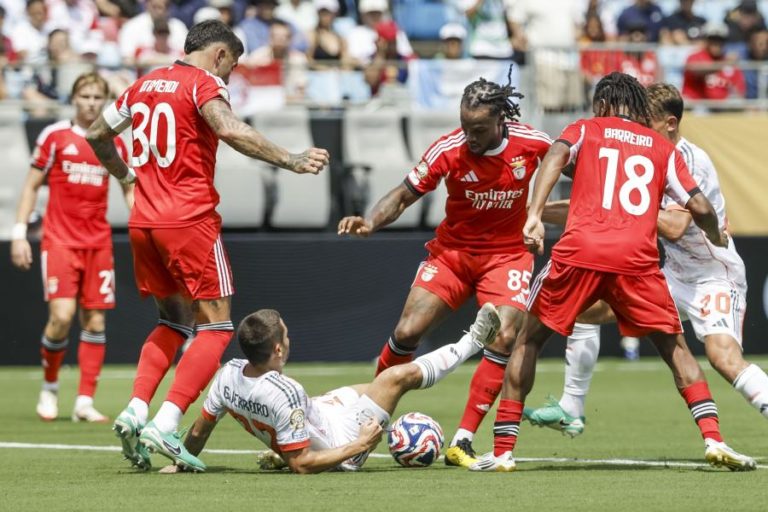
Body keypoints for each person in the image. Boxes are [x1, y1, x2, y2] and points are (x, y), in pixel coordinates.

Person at [467, 72, 756, 472]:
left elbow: (555, 156)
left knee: (528, 341)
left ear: (602, 104)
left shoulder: (586, 129)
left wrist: (533, 215)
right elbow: (702, 208)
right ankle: (713, 439)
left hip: (580, 252)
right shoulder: (662, 147)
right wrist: (716, 235)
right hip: (637, 261)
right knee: (676, 350)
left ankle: (502, 452)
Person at [85, 19, 329, 472]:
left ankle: (137, 409)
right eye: (232, 66)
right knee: (216, 328)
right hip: (189, 220)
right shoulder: (202, 83)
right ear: (218, 54)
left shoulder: (140, 85)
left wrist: (125, 177)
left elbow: (96, 134)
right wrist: (291, 160)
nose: (229, 76)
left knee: (173, 321)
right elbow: (230, 129)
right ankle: (167, 421)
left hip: (143, 222)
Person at [337, 71, 552, 468]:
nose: (470, 135)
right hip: (453, 255)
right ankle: (367, 417)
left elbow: (565, 161)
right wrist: (371, 221)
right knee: (406, 331)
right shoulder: (448, 150)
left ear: (501, 121)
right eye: (465, 125)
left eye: (480, 129)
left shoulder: (532, 143)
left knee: (504, 336)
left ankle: (463, 441)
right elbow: (403, 194)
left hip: (507, 256)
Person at [161, 304, 501, 473]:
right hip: (341, 443)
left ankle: (284, 445)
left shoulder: (228, 375)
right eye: (287, 335)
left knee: (373, 386)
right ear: (277, 350)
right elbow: (303, 465)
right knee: (395, 379)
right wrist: (361, 443)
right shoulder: (286, 392)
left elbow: (200, 429)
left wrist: (181, 462)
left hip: (319, 413)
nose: (290, 339)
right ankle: (473, 339)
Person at [10, 72, 133, 423]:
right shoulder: (55, 137)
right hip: (60, 241)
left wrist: (142, 227)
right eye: (86, 96)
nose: (92, 102)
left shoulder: (113, 143)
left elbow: (128, 186)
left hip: (98, 242)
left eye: (98, 97)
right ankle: (49, 388)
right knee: (61, 318)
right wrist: (19, 233)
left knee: (95, 320)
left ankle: (84, 402)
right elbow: (32, 186)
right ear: (74, 99)